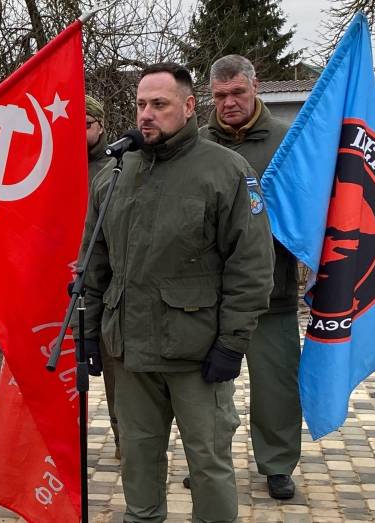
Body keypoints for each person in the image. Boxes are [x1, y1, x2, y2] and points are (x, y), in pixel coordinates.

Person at [75, 62, 274, 522]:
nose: (147, 114)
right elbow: (93, 262)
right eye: (142, 104)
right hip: (130, 353)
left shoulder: (225, 171)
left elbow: (251, 267)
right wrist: (88, 332)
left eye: (159, 105)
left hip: (198, 354)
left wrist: (231, 343)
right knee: (139, 463)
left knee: (209, 463)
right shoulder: (115, 173)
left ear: (187, 107)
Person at [193, 54, 301, 500]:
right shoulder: (196, 143)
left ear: (255, 86)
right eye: (220, 96)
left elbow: (308, 208)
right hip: (207, 294)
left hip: (271, 291)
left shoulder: (289, 140)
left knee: (275, 385)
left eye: (237, 92)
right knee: (206, 390)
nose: (229, 103)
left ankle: (276, 464)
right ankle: (209, 463)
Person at [81, 94, 120, 459]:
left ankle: (124, 438)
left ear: (100, 125)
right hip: (62, 284)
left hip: (105, 285)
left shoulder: (116, 168)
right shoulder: (53, 165)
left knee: (116, 375)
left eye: (86, 126)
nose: (79, 134)